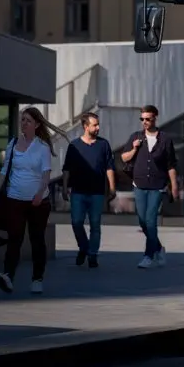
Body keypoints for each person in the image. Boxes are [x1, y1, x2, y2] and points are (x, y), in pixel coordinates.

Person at [0, 106, 62, 295]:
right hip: (15, 199)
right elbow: (4, 171)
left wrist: (40, 193)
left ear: (37, 124)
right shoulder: (13, 144)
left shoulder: (42, 147)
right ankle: (8, 276)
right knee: (15, 238)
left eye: (28, 120)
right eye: (22, 119)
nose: (24, 123)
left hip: (37, 202)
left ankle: (37, 278)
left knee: (36, 239)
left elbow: (46, 174)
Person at [120, 105, 180, 269]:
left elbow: (171, 165)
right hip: (138, 184)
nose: (144, 122)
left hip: (157, 186)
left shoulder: (165, 139)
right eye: (142, 119)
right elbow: (124, 158)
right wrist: (134, 148)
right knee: (142, 221)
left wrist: (174, 185)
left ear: (155, 118)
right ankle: (159, 248)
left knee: (151, 221)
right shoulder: (136, 137)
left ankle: (148, 255)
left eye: (148, 119)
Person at [63, 110, 116, 268]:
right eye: (95, 125)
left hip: (97, 192)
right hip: (78, 192)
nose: (98, 127)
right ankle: (84, 248)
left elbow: (109, 167)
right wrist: (65, 187)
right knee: (76, 222)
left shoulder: (103, 144)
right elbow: (67, 169)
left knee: (95, 225)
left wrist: (112, 188)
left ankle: (92, 255)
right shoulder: (74, 146)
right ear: (86, 126)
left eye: (98, 124)